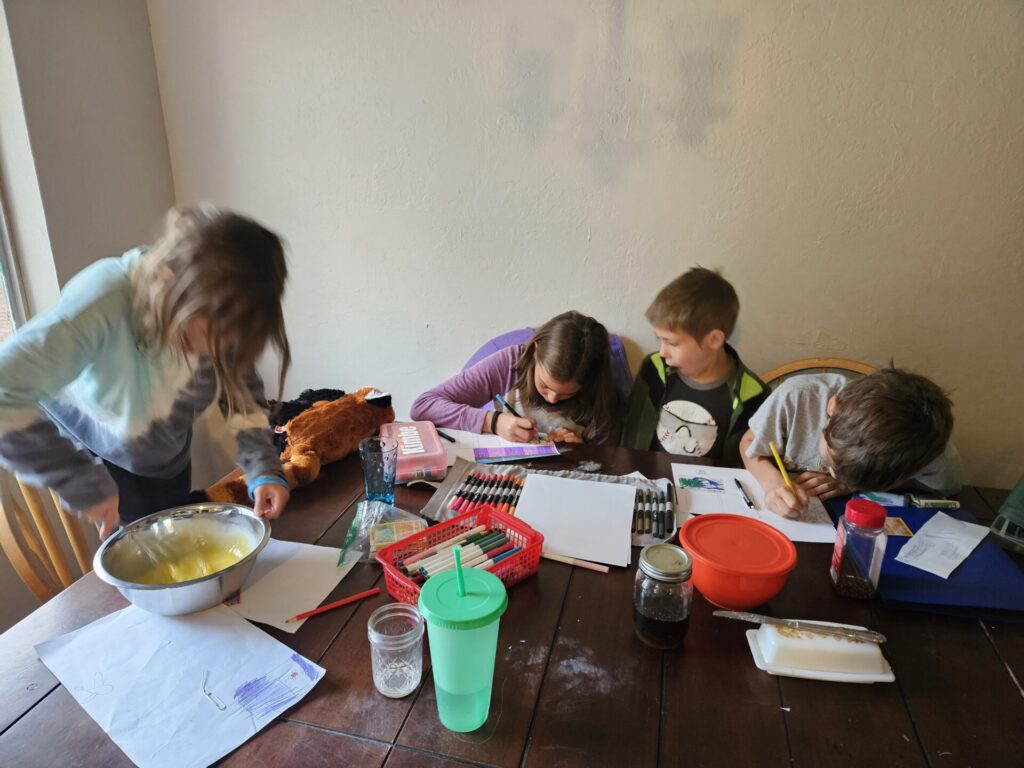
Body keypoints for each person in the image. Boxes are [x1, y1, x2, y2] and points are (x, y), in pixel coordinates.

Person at [0, 206, 292, 537]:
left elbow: (241, 391)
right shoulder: (102, 301)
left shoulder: (225, 313)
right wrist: (79, 481)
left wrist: (263, 467)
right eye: (209, 340)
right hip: (99, 454)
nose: (216, 355)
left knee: (180, 551)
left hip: (166, 456)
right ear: (173, 286)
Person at [740, 368, 962, 519]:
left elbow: (947, 488)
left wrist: (852, 485)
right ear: (832, 406)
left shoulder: (928, 450)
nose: (834, 476)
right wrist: (772, 483)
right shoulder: (799, 396)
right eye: (830, 460)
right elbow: (749, 442)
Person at [621, 267, 767, 463]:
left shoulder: (752, 395)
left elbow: (747, 464)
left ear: (714, 340)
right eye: (659, 340)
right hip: (648, 485)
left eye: (672, 343)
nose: (663, 352)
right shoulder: (653, 370)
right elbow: (631, 438)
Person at [410, 311, 620, 444]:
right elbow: (423, 406)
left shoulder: (599, 389)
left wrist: (580, 452)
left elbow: (606, 462)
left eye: (567, 394)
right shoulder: (510, 363)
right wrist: (492, 422)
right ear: (535, 351)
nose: (552, 399)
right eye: (545, 386)